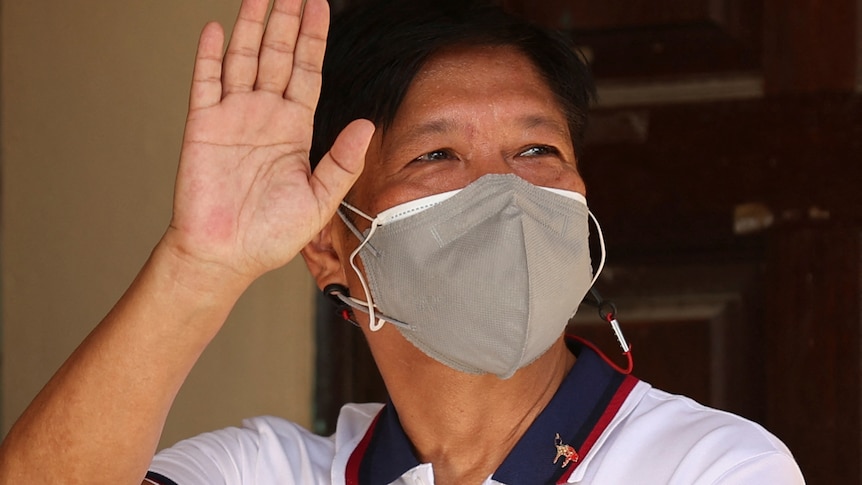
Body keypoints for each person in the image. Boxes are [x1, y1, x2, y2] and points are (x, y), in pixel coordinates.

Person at [0, 0, 805, 483]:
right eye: (437, 155)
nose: (506, 192)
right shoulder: (275, 470)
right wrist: (201, 262)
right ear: (329, 246)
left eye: (537, 150)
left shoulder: (707, 465)